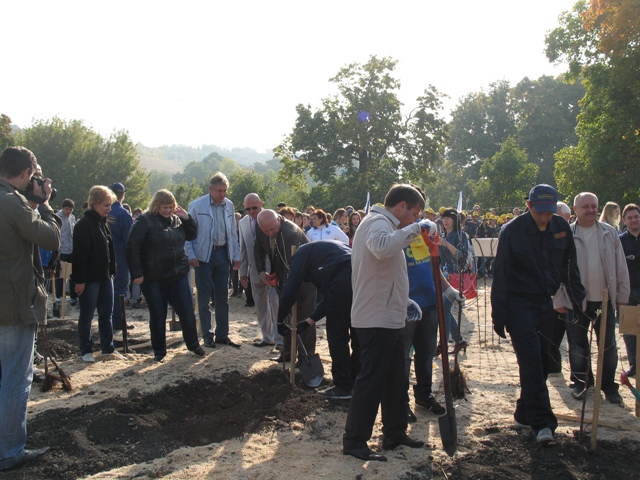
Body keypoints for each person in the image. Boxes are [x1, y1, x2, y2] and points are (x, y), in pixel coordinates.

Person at [492, 184, 585, 444]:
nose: (545, 217)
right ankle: (543, 423)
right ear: (529, 206)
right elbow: (501, 274)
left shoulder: (562, 228)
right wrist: (499, 315)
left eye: (549, 212)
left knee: (544, 360)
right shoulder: (511, 231)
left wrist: (579, 302)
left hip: (547, 303)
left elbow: (570, 268)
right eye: (540, 212)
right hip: (518, 304)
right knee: (531, 360)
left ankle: (523, 411)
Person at [343, 184, 428, 462]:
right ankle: (355, 440)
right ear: (402, 206)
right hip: (375, 318)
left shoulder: (385, 224)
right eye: (414, 214)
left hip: (388, 315)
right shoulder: (378, 222)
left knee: (395, 378)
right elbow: (381, 249)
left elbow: (382, 271)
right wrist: (414, 229)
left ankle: (394, 431)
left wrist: (403, 301)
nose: (415, 220)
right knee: (372, 380)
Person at [0, 147, 60, 471]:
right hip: (13, 305)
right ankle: (9, 451)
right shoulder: (13, 203)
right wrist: (45, 203)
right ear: (26, 173)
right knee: (15, 379)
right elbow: (51, 238)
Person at [562, 192, 629, 404]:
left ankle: (609, 387)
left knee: (608, 346)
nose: (590, 210)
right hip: (576, 301)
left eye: (593, 206)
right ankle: (581, 383)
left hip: (604, 300)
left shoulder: (610, 233)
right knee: (578, 345)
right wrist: (557, 300)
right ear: (575, 209)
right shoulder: (566, 235)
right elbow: (557, 270)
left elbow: (620, 266)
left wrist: (622, 296)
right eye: (585, 207)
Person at [126, 190, 205, 362]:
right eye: (164, 207)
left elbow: (192, 235)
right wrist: (137, 272)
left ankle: (193, 344)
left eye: (171, 207)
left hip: (177, 273)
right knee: (158, 314)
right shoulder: (144, 221)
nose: (168, 210)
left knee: (187, 311)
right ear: (156, 205)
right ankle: (159, 351)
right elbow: (133, 245)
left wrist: (186, 218)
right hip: (154, 276)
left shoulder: (177, 220)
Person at [276, 240, 360, 399]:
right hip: (361, 275)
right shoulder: (324, 254)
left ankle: (343, 386)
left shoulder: (300, 255)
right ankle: (356, 381)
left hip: (345, 277)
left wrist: (280, 321)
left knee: (337, 334)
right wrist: (309, 321)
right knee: (357, 332)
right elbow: (330, 297)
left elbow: (290, 290)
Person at [403, 217, 462, 420]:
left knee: (426, 353)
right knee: (403, 356)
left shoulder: (426, 232)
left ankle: (424, 395)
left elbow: (433, 265)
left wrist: (448, 290)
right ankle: (401, 402)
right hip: (407, 305)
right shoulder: (398, 234)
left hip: (430, 302)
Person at [186, 172, 241, 348]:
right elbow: (188, 233)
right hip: (203, 256)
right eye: (219, 191)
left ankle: (222, 335)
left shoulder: (229, 206)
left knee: (222, 297)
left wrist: (236, 256)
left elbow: (232, 232)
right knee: (203, 297)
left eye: (225, 191)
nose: (222, 194)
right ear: (210, 189)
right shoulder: (196, 205)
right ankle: (207, 335)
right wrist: (190, 254)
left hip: (223, 254)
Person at [254, 209, 316, 362]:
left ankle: (306, 357)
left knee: (304, 319)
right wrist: (262, 271)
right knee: (287, 318)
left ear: (279, 221)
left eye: (272, 229)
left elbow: (292, 267)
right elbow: (259, 249)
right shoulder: (262, 226)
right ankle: (287, 354)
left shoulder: (291, 234)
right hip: (284, 276)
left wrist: (287, 294)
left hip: (306, 278)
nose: (269, 233)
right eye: (265, 230)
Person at [72, 186, 126, 363]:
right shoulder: (83, 225)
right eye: (106, 205)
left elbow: (109, 251)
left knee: (106, 314)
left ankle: (107, 347)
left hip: (105, 278)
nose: (109, 208)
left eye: (110, 204)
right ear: (94, 204)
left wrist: (111, 273)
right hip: (89, 280)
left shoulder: (104, 223)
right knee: (87, 315)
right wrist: (79, 281)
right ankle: (85, 349)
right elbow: (79, 256)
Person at [238, 194, 281, 348]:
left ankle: (280, 339)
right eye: (247, 208)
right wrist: (242, 272)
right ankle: (267, 336)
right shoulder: (243, 223)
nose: (251, 211)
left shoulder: (272, 217)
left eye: (254, 208)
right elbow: (243, 248)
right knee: (260, 306)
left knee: (275, 304)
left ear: (261, 204)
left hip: (273, 269)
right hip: (254, 270)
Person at [439, 208, 472, 351]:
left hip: (456, 275)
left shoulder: (461, 236)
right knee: (444, 309)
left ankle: (443, 342)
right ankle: (458, 340)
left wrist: (446, 245)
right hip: (443, 276)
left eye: (448, 218)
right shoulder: (441, 235)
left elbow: (462, 255)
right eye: (443, 218)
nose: (445, 221)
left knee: (445, 308)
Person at [547, 201, 573, 374]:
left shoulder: (571, 235)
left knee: (575, 338)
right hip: (552, 296)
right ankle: (553, 364)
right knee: (553, 336)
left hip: (572, 295)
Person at [107, 182, 133, 330]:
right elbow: (128, 239)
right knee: (121, 288)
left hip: (107, 255)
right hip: (121, 256)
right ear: (123, 195)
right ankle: (118, 319)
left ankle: (109, 318)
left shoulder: (105, 211)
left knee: (109, 288)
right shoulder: (123, 214)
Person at [620, 204, 640, 377]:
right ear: (624, 220)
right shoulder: (620, 242)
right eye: (630, 218)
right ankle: (634, 364)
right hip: (627, 293)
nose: (634, 220)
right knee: (629, 332)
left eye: (636, 216)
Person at [55, 198, 77, 306]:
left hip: (71, 249)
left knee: (72, 274)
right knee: (61, 275)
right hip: (62, 250)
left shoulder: (72, 218)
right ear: (62, 208)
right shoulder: (58, 218)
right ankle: (59, 296)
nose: (68, 211)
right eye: (66, 209)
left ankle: (74, 296)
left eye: (70, 209)